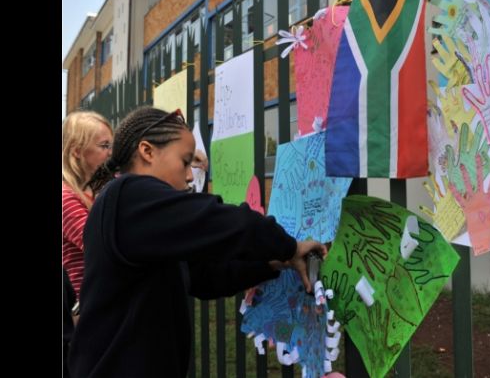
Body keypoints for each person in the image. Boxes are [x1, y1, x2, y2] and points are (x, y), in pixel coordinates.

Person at [69, 106, 326, 377]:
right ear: (147, 151)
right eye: (184, 161)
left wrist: (273, 262)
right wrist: (290, 245)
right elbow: (224, 221)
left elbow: (202, 277)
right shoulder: (129, 196)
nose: (190, 176)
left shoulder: (139, 217)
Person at [62, 110, 114, 299]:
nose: (111, 153)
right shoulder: (66, 198)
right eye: (104, 146)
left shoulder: (98, 187)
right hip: (86, 306)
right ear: (77, 151)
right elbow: (101, 245)